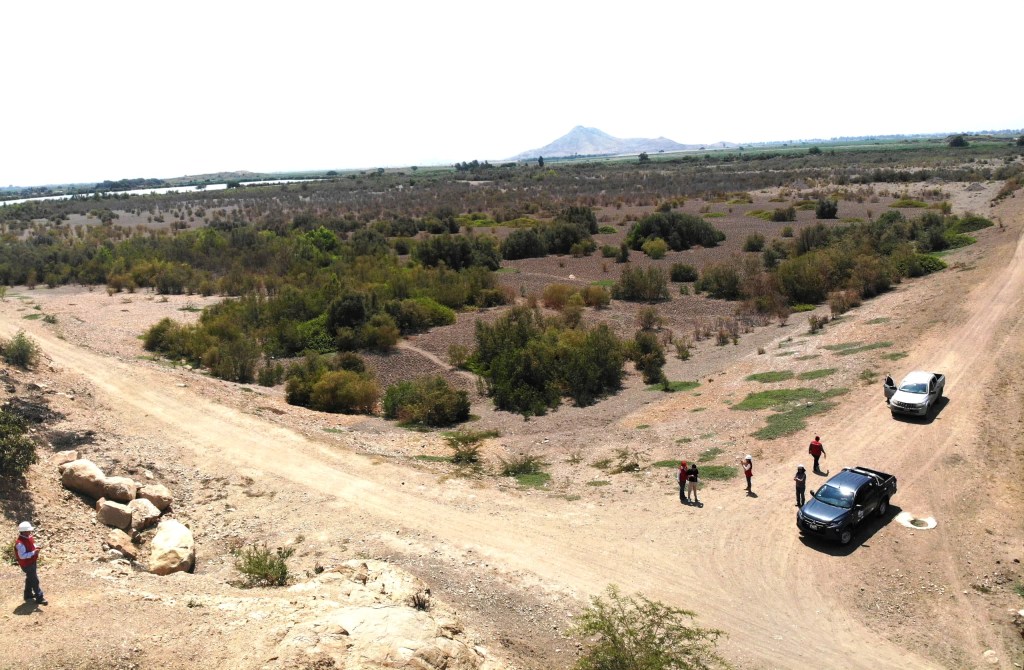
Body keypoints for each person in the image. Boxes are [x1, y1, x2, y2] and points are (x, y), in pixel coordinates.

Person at [15, 521, 46, 605]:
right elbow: (22, 556)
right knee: (34, 580)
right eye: (28, 531)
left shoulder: (28, 537)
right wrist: (33, 552)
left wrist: (36, 547)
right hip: (27, 564)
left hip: (31, 562)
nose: (30, 532)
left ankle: (28, 594)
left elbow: (32, 545)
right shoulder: (19, 543)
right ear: (24, 531)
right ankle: (39, 597)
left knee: (30, 578)